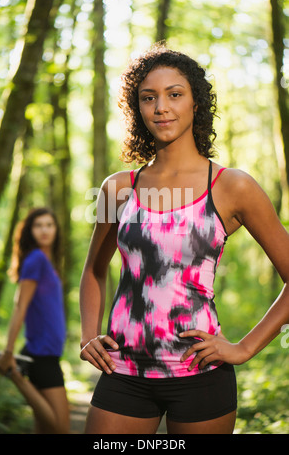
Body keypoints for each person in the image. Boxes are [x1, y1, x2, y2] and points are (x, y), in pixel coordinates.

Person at [79, 44, 289, 434]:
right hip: (123, 372)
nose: (161, 107)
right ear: (137, 109)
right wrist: (88, 334)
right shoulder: (117, 189)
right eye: (148, 97)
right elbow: (94, 270)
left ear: (196, 103)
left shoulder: (232, 187)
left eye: (174, 94)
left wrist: (243, 348)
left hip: (201, 375)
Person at [0, 207, 69, 434]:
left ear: (56, 229)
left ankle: (15, 371)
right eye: (38, 225)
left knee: (44, 429)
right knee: (61, 428)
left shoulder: (47, 262)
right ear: (30, 230)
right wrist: (8, 350)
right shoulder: (36, 260)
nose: (44, 230)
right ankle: (14, 374)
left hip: (47, 350)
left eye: (49, 224)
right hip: (41, 351)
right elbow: (20, 305)